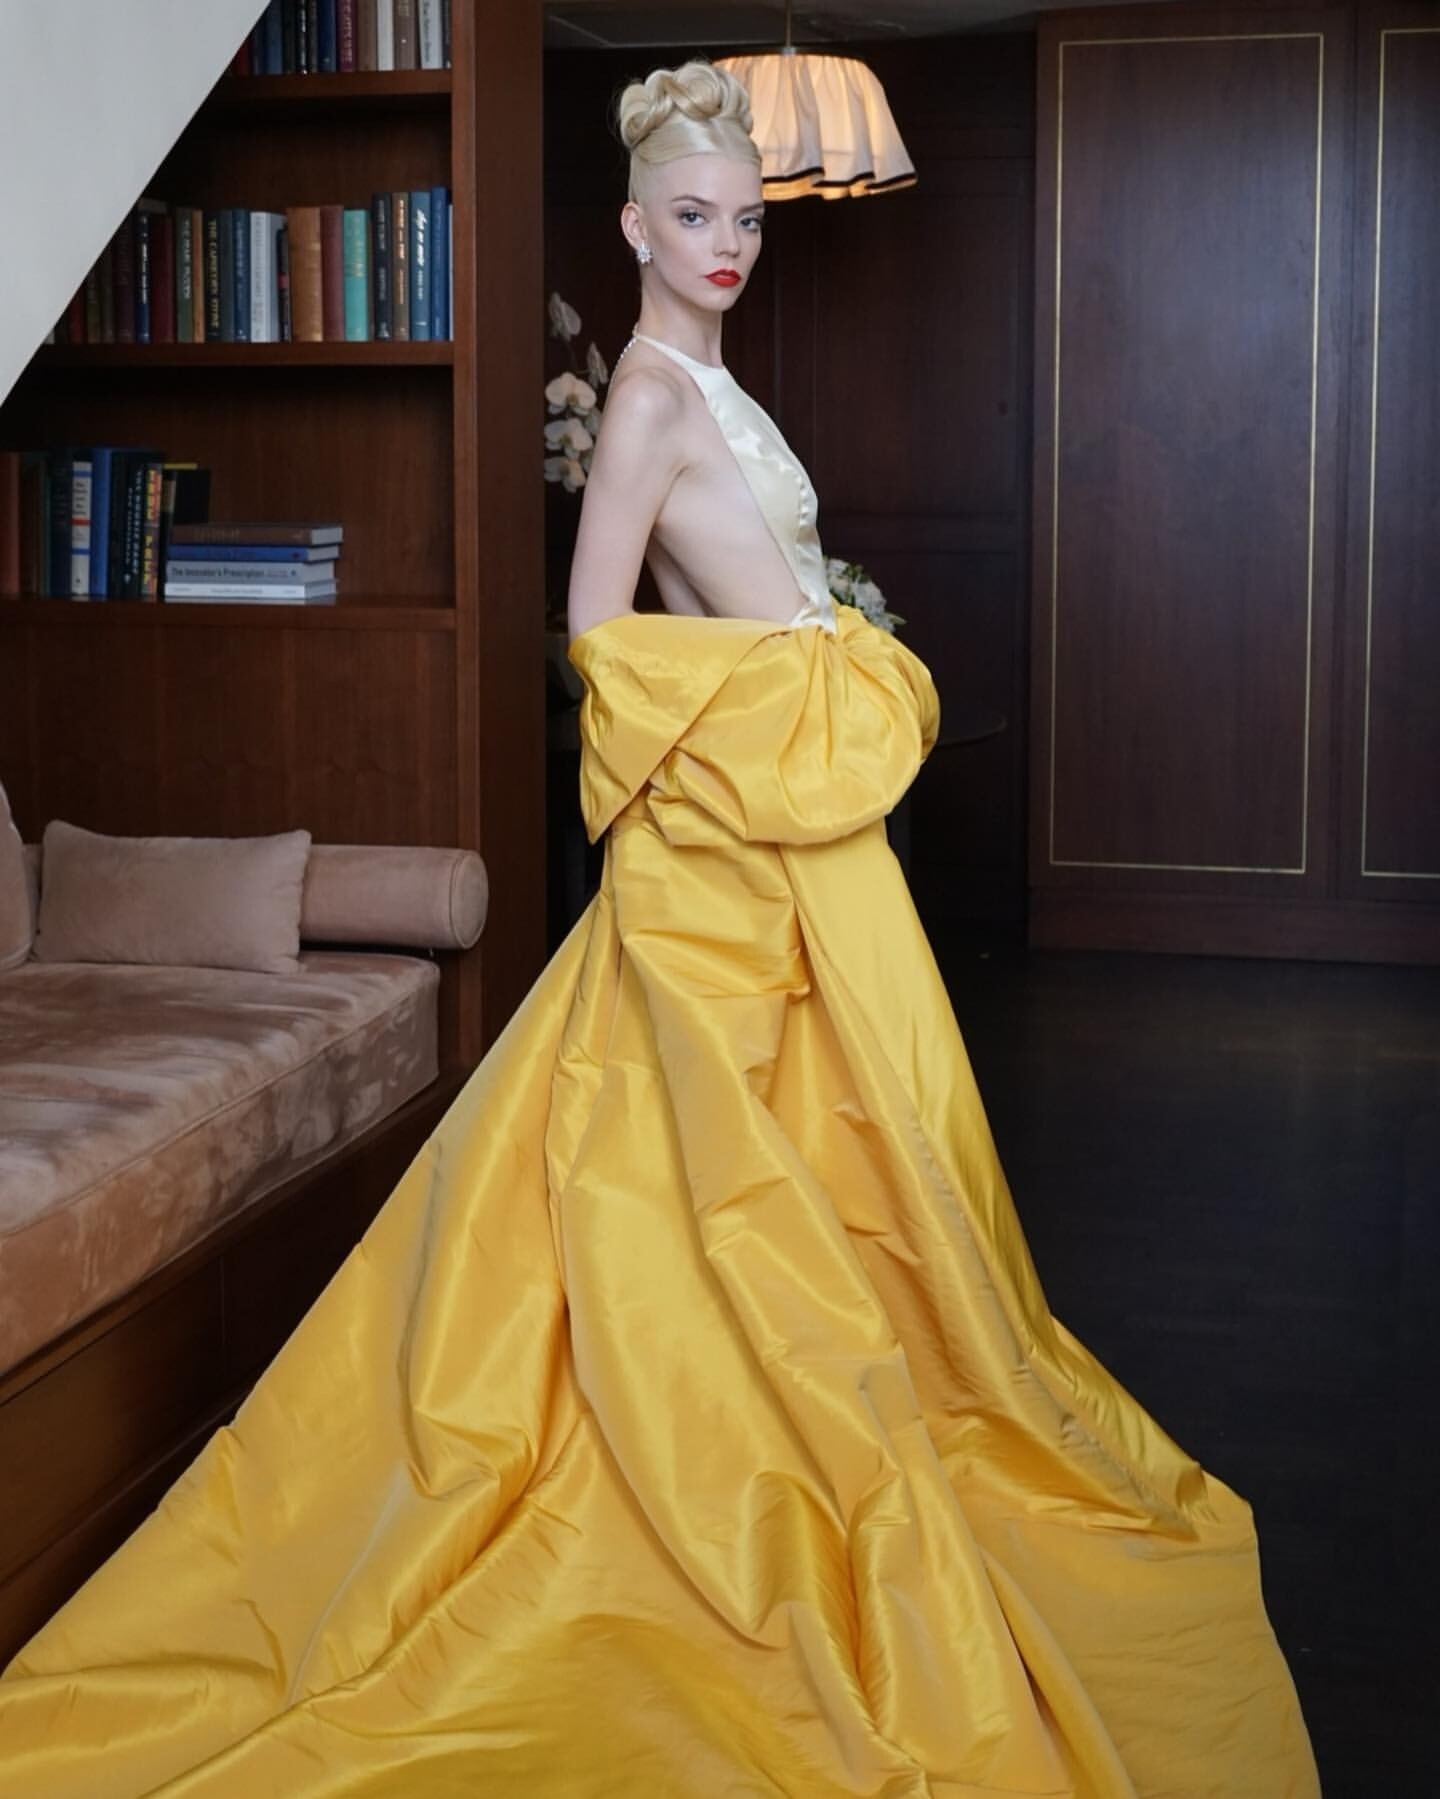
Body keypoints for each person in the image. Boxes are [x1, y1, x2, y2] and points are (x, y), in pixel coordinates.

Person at [0, 59, 1319, 1799]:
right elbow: (594, 634)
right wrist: (777, 704)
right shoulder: (641, 396)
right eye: (695, 219)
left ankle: (831, 1419)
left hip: (801, 829)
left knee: (865, 1147)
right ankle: (722, 1470)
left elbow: (758, 589)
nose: (726, 247)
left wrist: (819, 658)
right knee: (728, 1169)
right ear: (631, 225)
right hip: (730, 845)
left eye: (747, 221)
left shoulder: (716, 380)